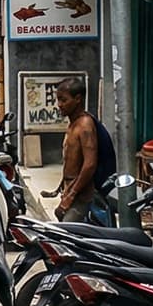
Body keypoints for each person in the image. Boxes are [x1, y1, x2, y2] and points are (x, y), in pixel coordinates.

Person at [52, 77, 117, 223]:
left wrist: (71, 195)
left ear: (78, 99)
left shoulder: (85, 125)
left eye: (64, 100)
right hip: (72, 191)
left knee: (66, 233)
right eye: (58, 100)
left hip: (83, 195)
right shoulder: (73, 124)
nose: (59, 105)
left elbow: (90, 164)